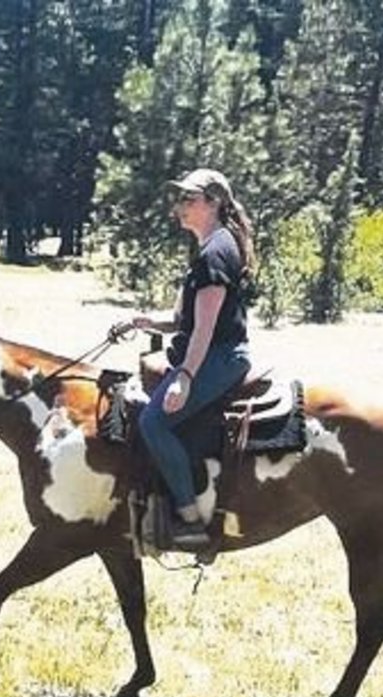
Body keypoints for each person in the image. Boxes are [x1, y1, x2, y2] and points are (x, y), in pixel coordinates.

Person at [109, 167, 257, 548]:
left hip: (219, 357)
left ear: (214, 203)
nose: (179, 207)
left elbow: (205, 328)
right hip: (212, 352)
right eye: (179, 199)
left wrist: (185, 376)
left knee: (155, 423)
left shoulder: (215, 253)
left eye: (188, 199)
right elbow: (182, 321)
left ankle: (190, 521)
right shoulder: (212, 247)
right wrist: (141, 322)